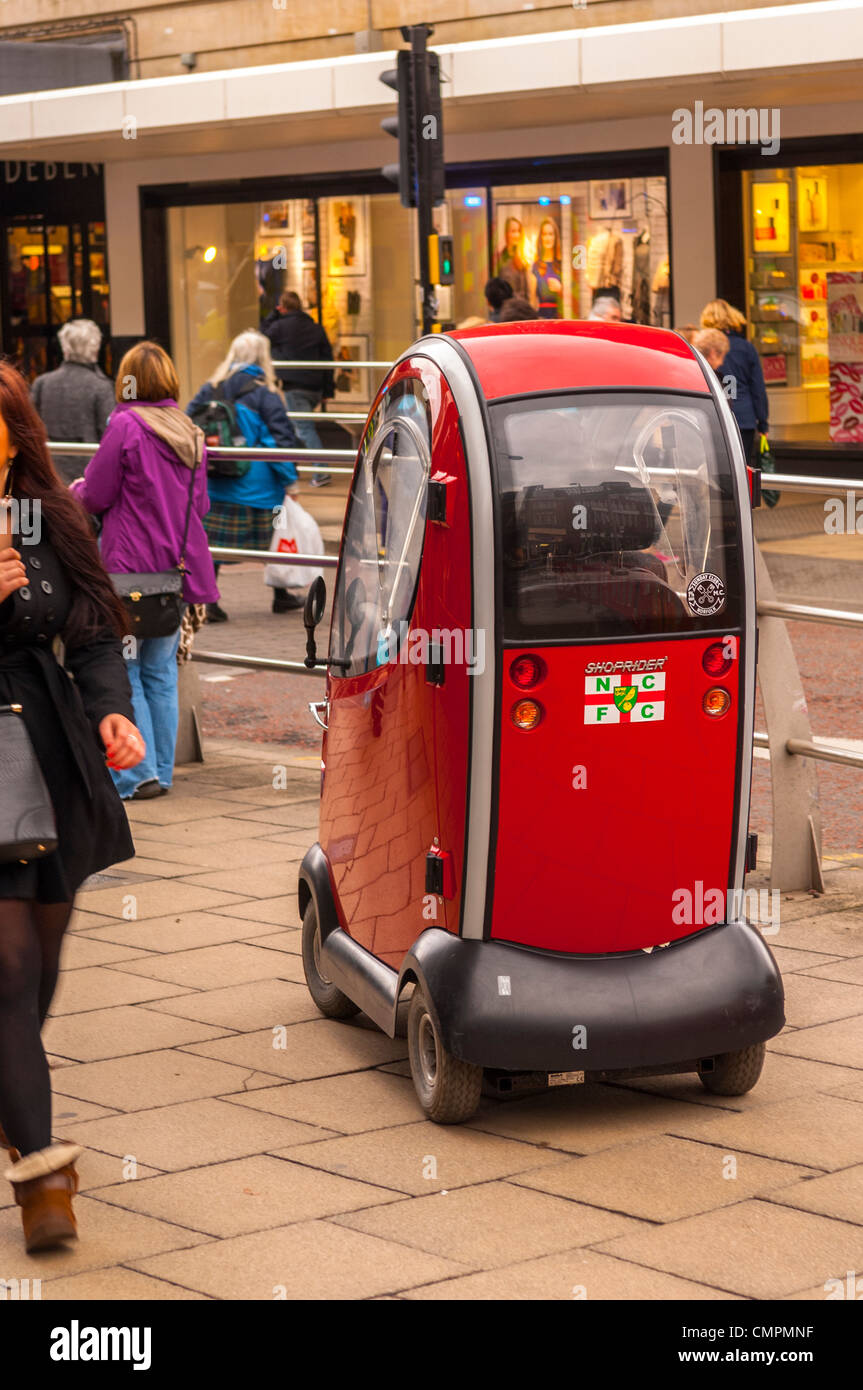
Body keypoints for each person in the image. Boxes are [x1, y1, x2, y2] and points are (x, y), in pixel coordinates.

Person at [0, 359, 146, 1251]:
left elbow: (90, 632)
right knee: (8, 967)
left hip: (49, 754)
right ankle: (43, 1176)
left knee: (41, 965)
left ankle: (12, 1089)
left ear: (14, 436)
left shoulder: (48, 515)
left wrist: (113, 712)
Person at [70, 342, 217, 801]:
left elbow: (96, 494)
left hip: (127, 569)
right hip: (175, 571)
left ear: (128, 382)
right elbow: (200, 505)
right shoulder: (190, 431)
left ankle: (137, 774)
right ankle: (162, 772)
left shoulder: (126, 425)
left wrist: (73, 490)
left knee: (125, 668)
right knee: (160, 672)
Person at [187, 330, 301, 620]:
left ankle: (209, 602)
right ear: (263, 358)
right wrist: (290, 481)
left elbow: (188, 424)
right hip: (263, 489)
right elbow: (279, 441)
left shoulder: (210, 388)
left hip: (217, 481)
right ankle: (281, 595)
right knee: (276, 537)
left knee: (214, 545)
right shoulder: (265, 394)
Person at [260, 291, 334, 487]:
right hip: (315, 387)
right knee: (296, 426)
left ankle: (321, 471)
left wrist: (273, 315)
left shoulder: (279, 327)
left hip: (295, 386)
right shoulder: (315, 328)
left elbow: (261, 335)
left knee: (304, 429)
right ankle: (291, 467)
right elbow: (327, 359)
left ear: (282, 307)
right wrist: (328, 390)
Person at [30, 320, 115, 485]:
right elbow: (109, 434)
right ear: (95, 349)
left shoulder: (42, 383)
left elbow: (30, 426)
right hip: (87, 476)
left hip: (48, 472)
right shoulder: (101, 386)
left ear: (65, 348)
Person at [700, 299, 769, 463]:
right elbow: (758, 388)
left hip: (715, 417)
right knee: (742, 466)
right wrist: (763, 422)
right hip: (744, 418)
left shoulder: (704, 347)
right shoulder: (746, 348)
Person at [531, 217, 563, 318]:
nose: (548, 238)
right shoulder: (535, 266)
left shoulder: (562, 264)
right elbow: (532, 298)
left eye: (551, 234)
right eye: (544, 234)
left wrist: (560, 289)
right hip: (541, 317)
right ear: (541, 237)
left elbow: (573, 296)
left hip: (560, 316)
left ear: (556, 237)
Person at [496, 217, 529, 298]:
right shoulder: (500, 259)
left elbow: (526, 293)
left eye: (518, 231)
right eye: (513, 231)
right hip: (507, 304)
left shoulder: (522, 259)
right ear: (507, 233)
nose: (517, 235)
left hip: (521, 305)